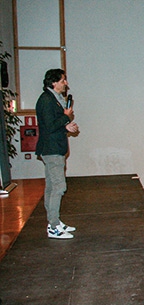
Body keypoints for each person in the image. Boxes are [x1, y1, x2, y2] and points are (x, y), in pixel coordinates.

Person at [35, 68, 80, 239]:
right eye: (63, 80)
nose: (65, 84)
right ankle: (53, 226)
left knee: (52, 186)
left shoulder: (52, 99)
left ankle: (54, 221)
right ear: (53, 82)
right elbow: (49, 125)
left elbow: (53, 124)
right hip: (51, 150)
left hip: (54, 148)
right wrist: (66, 117)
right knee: (59, 187)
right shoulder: (47, 100)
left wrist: (66, 126)